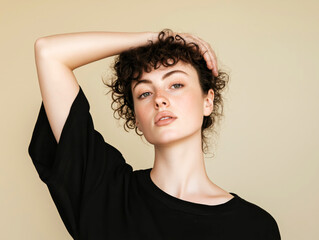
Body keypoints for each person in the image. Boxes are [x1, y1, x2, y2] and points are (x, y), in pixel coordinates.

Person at [28, 29, 281, 239]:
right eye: (144, 93)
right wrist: (156, 37)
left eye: (176, 85)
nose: (160, 99)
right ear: (137, 118)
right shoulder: (108, 194)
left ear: (208, 101)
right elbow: (49, 53)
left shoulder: (255, 227)